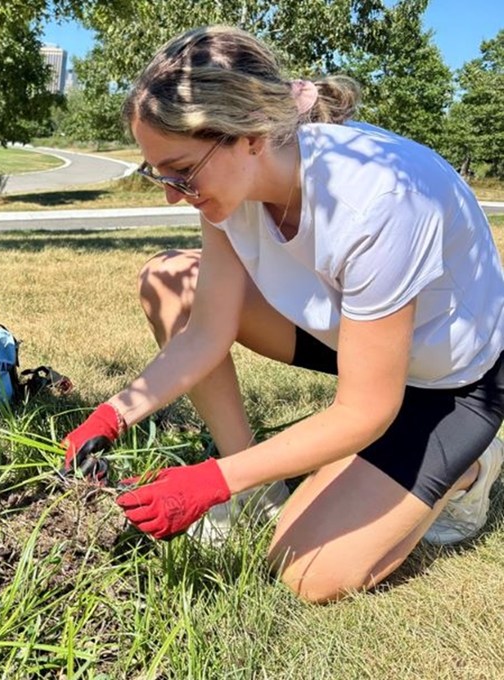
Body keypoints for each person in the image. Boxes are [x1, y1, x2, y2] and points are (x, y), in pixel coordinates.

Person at [61, 25, 504, 603]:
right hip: (354, 333)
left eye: (182, 172)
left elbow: (367, 408)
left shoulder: (382, 197)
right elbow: (205, 334)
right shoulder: (228, 191)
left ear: (249, 135)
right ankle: (254, 484)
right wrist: (110, 417)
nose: (172, 194)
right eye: (157, 173)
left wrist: (207, 484)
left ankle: (470, 472)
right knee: (171, 281)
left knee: (306, 572)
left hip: (453, 380)